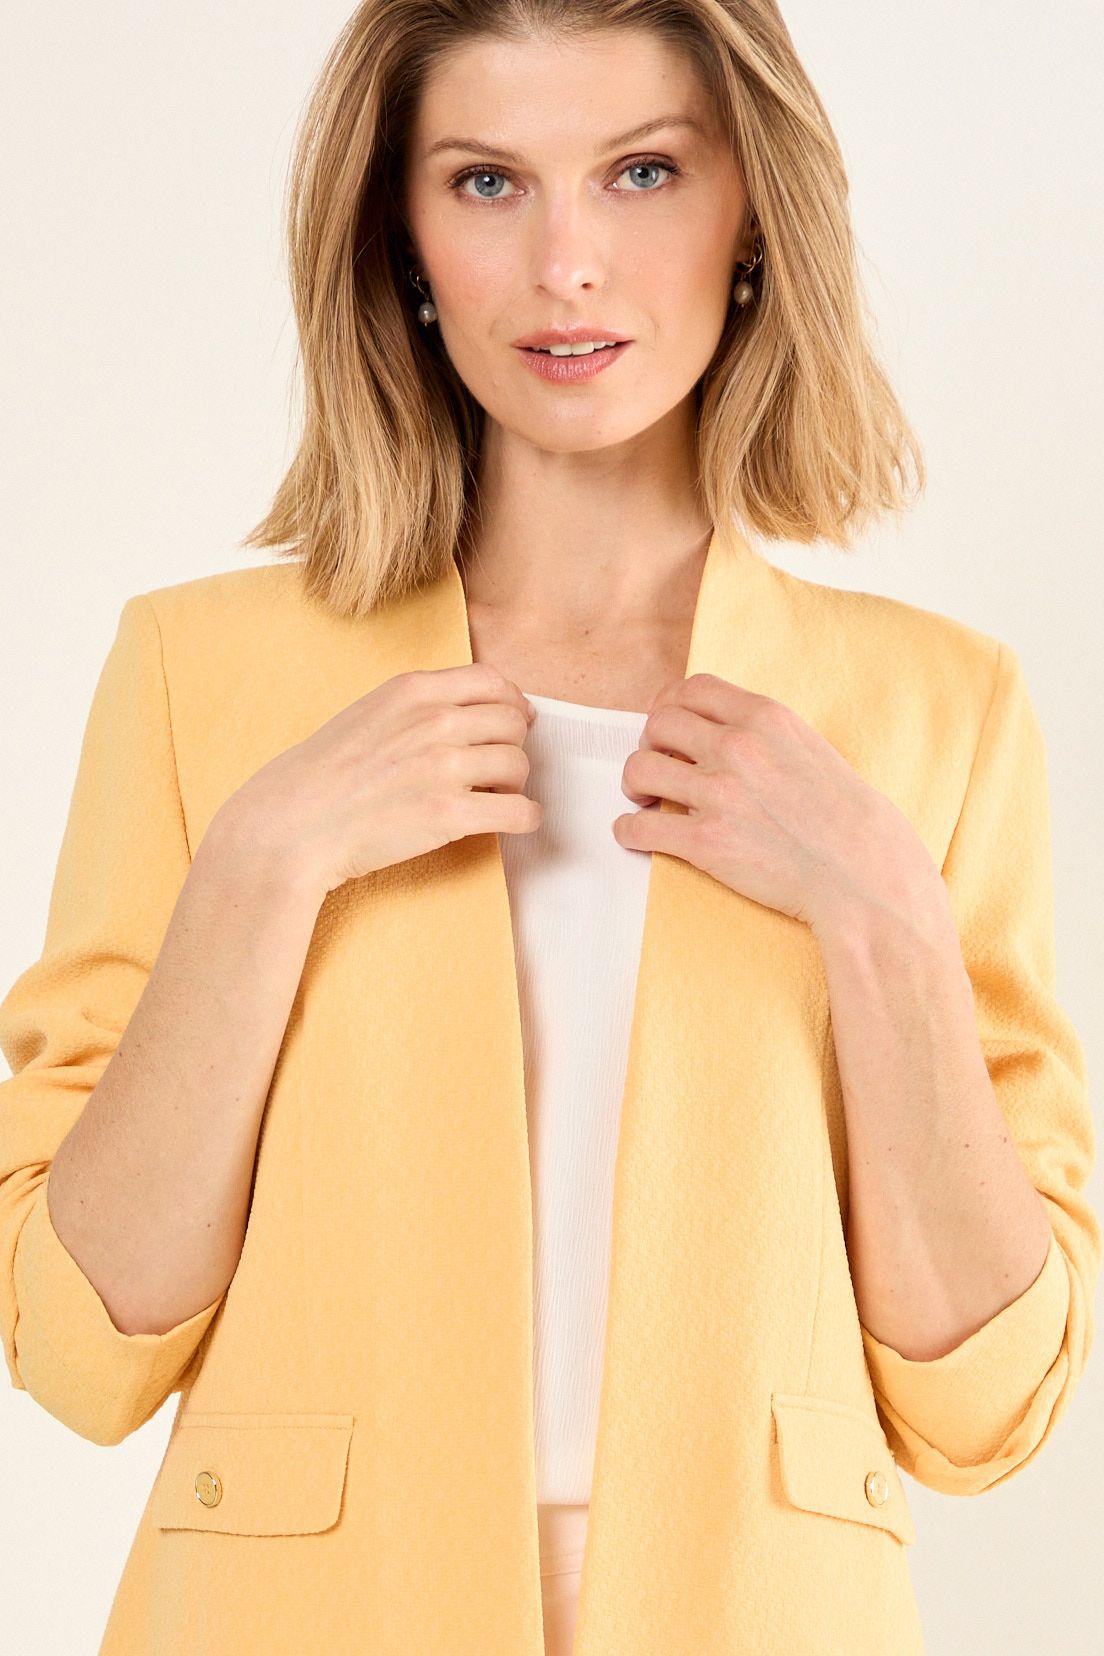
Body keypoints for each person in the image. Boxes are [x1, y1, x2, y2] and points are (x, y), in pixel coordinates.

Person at [1, 5, 1098, 1654]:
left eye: (642, 172)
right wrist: (262, 870)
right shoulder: (197, 674)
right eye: (488, 181)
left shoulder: (940, 712)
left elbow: (988, 1407)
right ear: (403, 238)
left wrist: (878, 909)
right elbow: (80, 1351)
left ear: (752, 216)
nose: (566, 265)